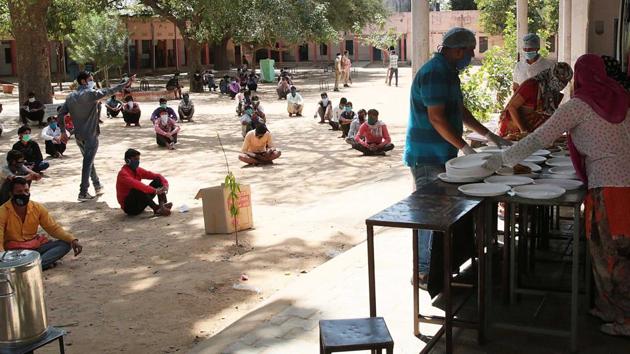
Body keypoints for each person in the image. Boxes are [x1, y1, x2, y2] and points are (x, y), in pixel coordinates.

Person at [483, 54, 630, 337]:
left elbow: (540, 137)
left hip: (610, 190)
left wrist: (502, 159)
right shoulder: (621, 100)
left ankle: (625, 319)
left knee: (611, 256)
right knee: (619, 252)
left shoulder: (579, 106)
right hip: (624, 184)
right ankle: (609, 307)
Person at [403, 28, 511, 289]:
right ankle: (423, 271)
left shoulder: (449, 73)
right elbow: (436, 117)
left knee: (444, 213)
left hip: (444, 153)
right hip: (428, 155)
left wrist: (489, 136)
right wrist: (465, 147)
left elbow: (459, 110)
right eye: (470, 50)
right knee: (429, 214)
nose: (471, 56)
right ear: (458, 49)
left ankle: (441, 265)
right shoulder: (435, 72)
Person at [57, 71, 134, 201]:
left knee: (89, 161)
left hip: (78, 135)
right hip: (91, 135)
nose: (93, 82)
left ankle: (97, 185)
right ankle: (83, 192)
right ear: (83, 81)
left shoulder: (70, 97)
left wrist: (63, 131)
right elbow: (110, 91)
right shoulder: (91, 94)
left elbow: (60, 114)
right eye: (91, 79)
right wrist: (126, 83)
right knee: (87, 163)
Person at [0, 177, 83, 270]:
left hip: (34, 248)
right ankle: (37, 265)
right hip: (13, 253)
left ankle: (30, 267)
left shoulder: (37, 208)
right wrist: (3, 259)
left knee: (66, 244)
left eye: (26, 190)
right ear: (11, 194)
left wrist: (73, 240)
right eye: (19, 192)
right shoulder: (2, 211)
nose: (24, 194)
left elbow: (53, 228)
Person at [499, 63, 573, 138]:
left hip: (532, 133)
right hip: (513, 129)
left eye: (565, 82)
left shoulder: (553, 92)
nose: (562, 85)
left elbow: (549, 116)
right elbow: (512, 107)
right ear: (552, 77)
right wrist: (523, 131)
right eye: (559, 81)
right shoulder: (532, 86)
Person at [116, 149, 172, 217]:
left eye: (138, 159)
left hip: (140, 203)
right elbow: (137, 185)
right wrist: (155, 191)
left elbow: (158, 176)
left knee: (158, 180)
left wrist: (165, 185)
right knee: (137, 188)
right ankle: (156, 209)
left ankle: (161, 206)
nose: (137, 161)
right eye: (135, 159)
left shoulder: (137, 170)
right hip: (130, 208)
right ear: (127, 161)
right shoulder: (123, 174)